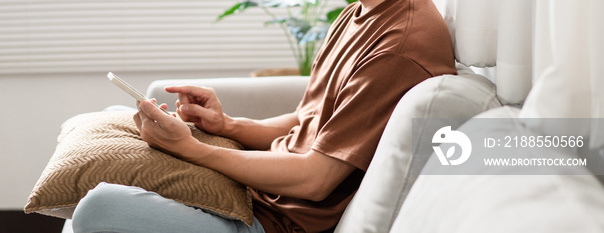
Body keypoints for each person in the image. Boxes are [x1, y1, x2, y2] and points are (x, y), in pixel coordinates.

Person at [72, 0, 456, 232]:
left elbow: (316, 179)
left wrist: (192, 149)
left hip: (274, 223)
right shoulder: (360, 12)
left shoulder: (397, 48)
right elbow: (308, 118)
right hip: (257, 192)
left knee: (97, 206)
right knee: (115, 117)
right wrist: (227, 126)